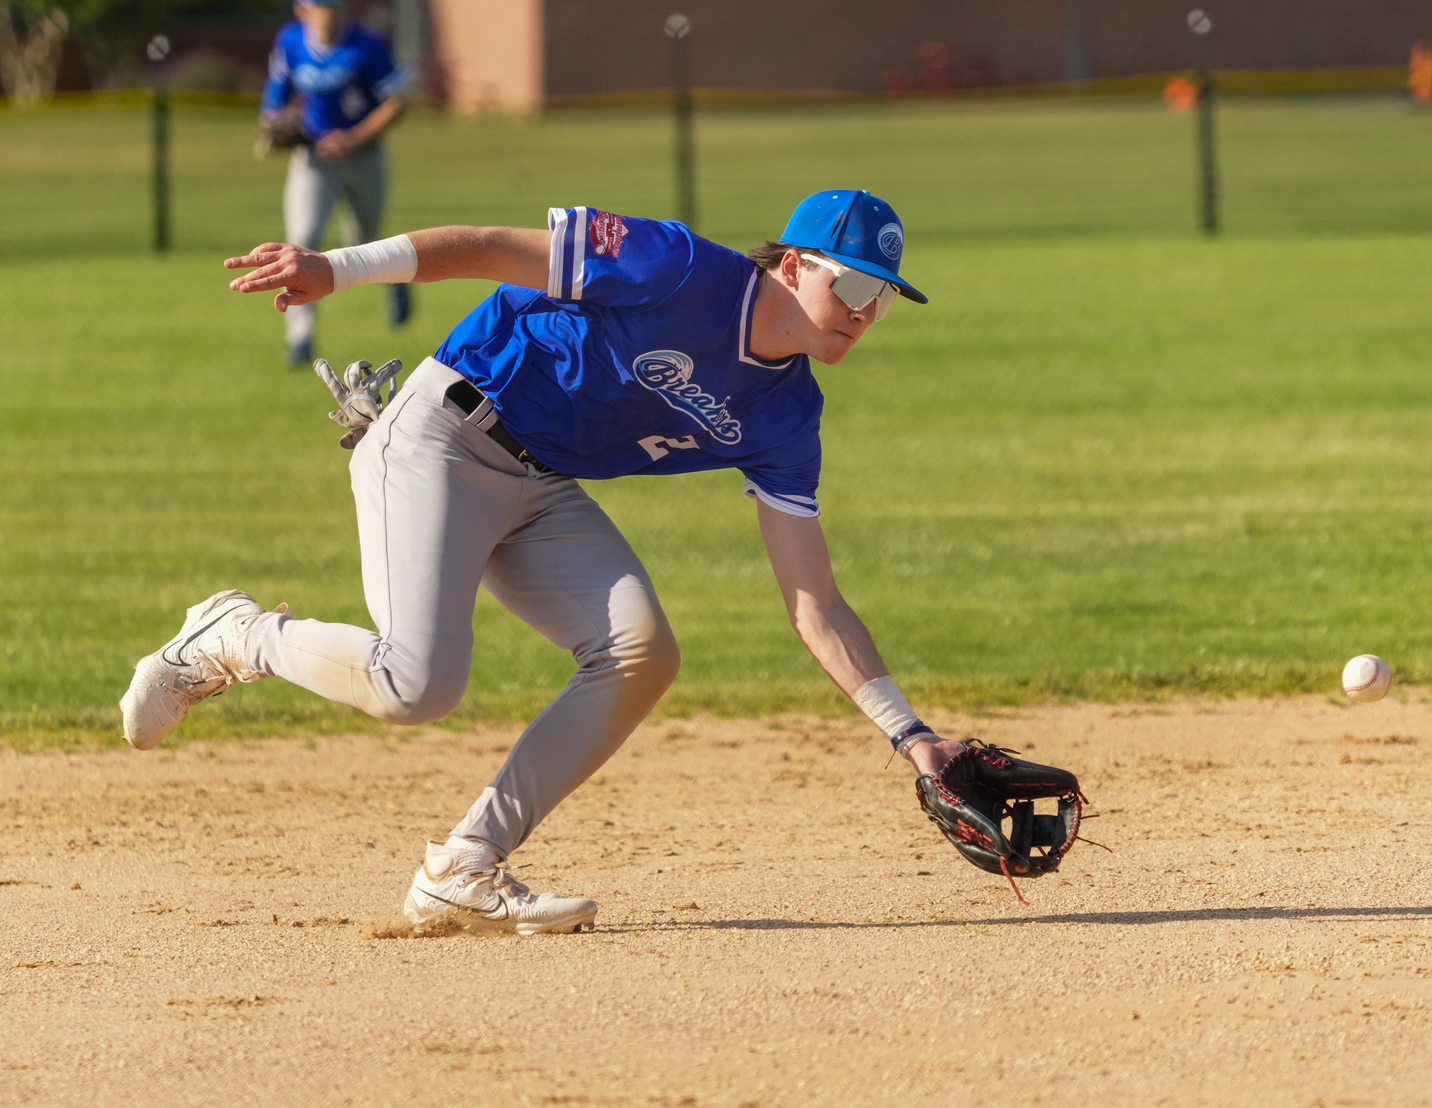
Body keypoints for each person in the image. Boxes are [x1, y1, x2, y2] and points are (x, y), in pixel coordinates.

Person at [119, 190, 966, 934]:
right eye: (849, 283)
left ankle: (462, 869)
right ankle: (236, 635)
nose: (862, 310)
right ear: (791, 265)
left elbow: (814, 600)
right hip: (443, 434)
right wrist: (334, 268)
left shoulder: (788, 418)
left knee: (642, 653)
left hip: (540, 486)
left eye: (881, 298)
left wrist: (913, 739)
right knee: (416, 686)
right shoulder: (676, 266)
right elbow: (487, 245)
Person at [260, 0, 412, 366]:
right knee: (303, 238)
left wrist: (354, 137)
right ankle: (300, 339)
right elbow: (276, 97)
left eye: (334, 6)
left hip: (364, 158)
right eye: (320, 6)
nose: (329, 12)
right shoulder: (291, 41)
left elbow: (398, 102)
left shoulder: (367, 45)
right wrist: (274, 123)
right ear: (303, 10)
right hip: (314, 160)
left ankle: (399, 281)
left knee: (363, 242)